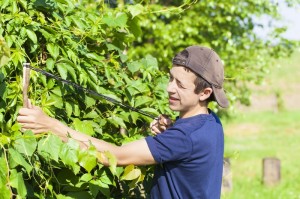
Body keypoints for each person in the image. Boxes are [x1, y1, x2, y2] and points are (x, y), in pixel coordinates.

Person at [17, 45, 229, 199]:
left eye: (180, 85)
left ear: (205, 92)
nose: (169, 88)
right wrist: (172, 128)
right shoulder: (211, 122)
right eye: (170, 78)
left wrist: (51, 125)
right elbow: (188, 144)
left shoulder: (183, 137)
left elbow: (113, 156)